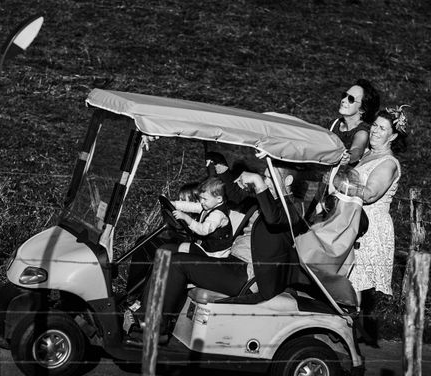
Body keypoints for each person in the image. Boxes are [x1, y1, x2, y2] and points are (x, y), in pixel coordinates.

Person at [128, 163, 309, 342]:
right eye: (264, 177)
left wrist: (256, 180)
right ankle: (140, 309)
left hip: (248, 275)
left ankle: (154, 329)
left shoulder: (294, 209)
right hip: (231, 261)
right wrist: (221, 165)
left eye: (268, 177)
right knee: (166, 253)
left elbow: (274, 218)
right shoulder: (267, 202)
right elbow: (231, 195)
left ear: (288, 180)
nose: (264, 180)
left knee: (175, 263)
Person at [344, 105, 408, 305]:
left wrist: (341, 184)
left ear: (393, 137)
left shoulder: (388, 163)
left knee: (356, 285)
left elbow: (370, 194)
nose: (374, 130)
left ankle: (356, 331)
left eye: (382, 128)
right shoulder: (367, 154)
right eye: (374, 125)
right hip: (354, 221)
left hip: (369, 228)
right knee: (347, 282)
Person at [167, 177, 232, 258]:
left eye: (205, 199)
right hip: (206, 247)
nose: (201, 201)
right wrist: (174, 204)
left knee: (175, 249)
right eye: (201, 198)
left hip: (214, 253)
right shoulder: (209, 205)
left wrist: (187, 218)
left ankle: (172, 266)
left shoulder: (218, 214)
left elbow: (203, 230)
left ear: (219, 199)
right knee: (176, 248)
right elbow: (190, 206)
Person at [328, 79, 381, 165]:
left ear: (362, 109)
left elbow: (357, 150)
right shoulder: (333, 124)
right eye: (344, 95)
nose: (343, 100)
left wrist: (348, 157)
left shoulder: (362, 132)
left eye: (351, 99)